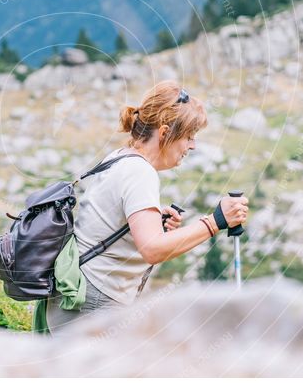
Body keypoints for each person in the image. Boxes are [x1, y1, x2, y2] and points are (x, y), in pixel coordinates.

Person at [45, 80, 249, 335]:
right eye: (189, 137)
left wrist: (148, 219)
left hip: (77, 290)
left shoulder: (119, 158)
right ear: (164, 133)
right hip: (95, 301)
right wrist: (216, 221)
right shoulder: (139, 172)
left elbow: (106, 220)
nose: (193, 146)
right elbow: (153, 249)